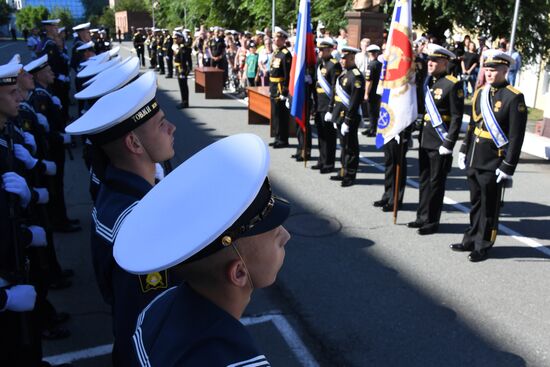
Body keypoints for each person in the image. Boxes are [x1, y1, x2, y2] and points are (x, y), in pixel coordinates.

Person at [113, 133, 291, 366]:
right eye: (276, 237)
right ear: (238, 273)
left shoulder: (157, 307)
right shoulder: (237, 361)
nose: (287, 236)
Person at [65, 71, 180, 366]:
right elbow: (143, 323)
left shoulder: (122, 193)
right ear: (134, 143)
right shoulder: (138, 225)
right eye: (160, 125)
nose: (172, 128)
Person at [451, 50, 527, 262]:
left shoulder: (513, 97)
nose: (489, 73)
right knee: (475, 202)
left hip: (494, 160)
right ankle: (470, 238)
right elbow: (473, 126)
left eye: (494, 70)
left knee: (488, 207)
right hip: (475, 157)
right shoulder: (480, 94)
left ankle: (483, 244)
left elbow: (516, 136)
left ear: (505, 70)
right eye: (487, 69)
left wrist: (508, 166)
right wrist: (464, 150)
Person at [408, 44, 464, 235]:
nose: (430, 64)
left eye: (434, 61)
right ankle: (421, 216)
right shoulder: (429, 82)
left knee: (436, 183)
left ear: (445, 62)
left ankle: (431, 221)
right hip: (426, 139)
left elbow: (457, 117)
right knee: (424, 180)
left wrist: (449, 143)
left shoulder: (452, 84)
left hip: (440, 141)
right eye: (429, 60)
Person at [329, 46, 365, 187]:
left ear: (352, 58)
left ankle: (350, 175)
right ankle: (342, 170)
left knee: (350, 147)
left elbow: (354, 102)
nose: (342, 61)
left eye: (344, 58)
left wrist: (347, 121)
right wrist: (333, 114)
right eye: (341, 58)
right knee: (343, 146)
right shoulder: (344, 74)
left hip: (349, 118)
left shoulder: (356, 76)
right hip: (340, 116)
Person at [312, 39, 342, 174]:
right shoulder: (320, 64)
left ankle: (329, 163)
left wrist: (331, 108)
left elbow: (336, 88)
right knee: (321, 135)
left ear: (329, 50)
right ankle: (321, 160)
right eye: (319, 49)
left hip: (327, 105)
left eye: (323, 50)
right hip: (319, 104)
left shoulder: (334, 65)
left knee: (329, 136)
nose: (320, 52)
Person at [269, 27, 292, 148]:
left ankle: (283, 139)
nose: (275, 39)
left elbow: (287, 74)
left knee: (281, 115)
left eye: (277, 37)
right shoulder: (276, 52)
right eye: (274, 37)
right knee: (275, 114)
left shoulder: (285, 54)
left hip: (279, 87)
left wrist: (284, 90)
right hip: (273, 86)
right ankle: (277, 137)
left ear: (283, 39)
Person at [363, 44, 382, 137]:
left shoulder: (371, 65)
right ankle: (372, 127)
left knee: (371, 111)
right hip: (379, 90)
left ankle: (373, 129)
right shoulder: (380, 64)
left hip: (372, 91)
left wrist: (366, 93)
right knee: (375, 110)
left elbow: (369, 81)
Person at [173, 32, 190, 109]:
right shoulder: (179, 46)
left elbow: (183, 60)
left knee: (183, 86)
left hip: (181, 68)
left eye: (176, 38)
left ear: (181, 38)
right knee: (182, 86)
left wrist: (183, 70)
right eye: (174, 38)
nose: (175, 40)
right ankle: (184, 101)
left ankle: (185, 102)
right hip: (179, 68)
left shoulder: (182, 47)